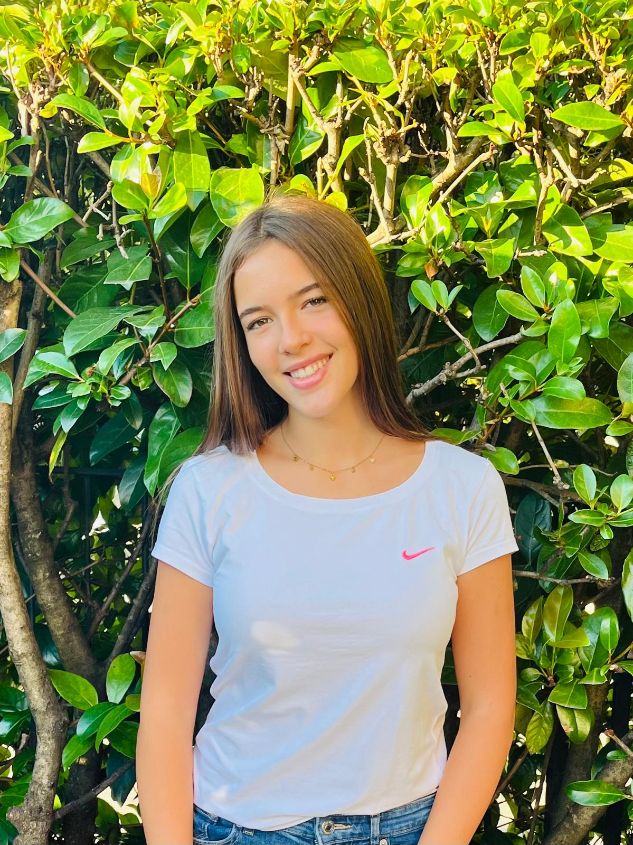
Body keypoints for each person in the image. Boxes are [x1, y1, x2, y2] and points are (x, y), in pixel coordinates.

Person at [136, 193, 519, 845]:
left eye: (313, 300)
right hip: (237, 829)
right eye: (259, 320)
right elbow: (167, 712)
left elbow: (487, 708)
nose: (291, 339)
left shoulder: (462, 488)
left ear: (358, 298)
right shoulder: (209, 490)